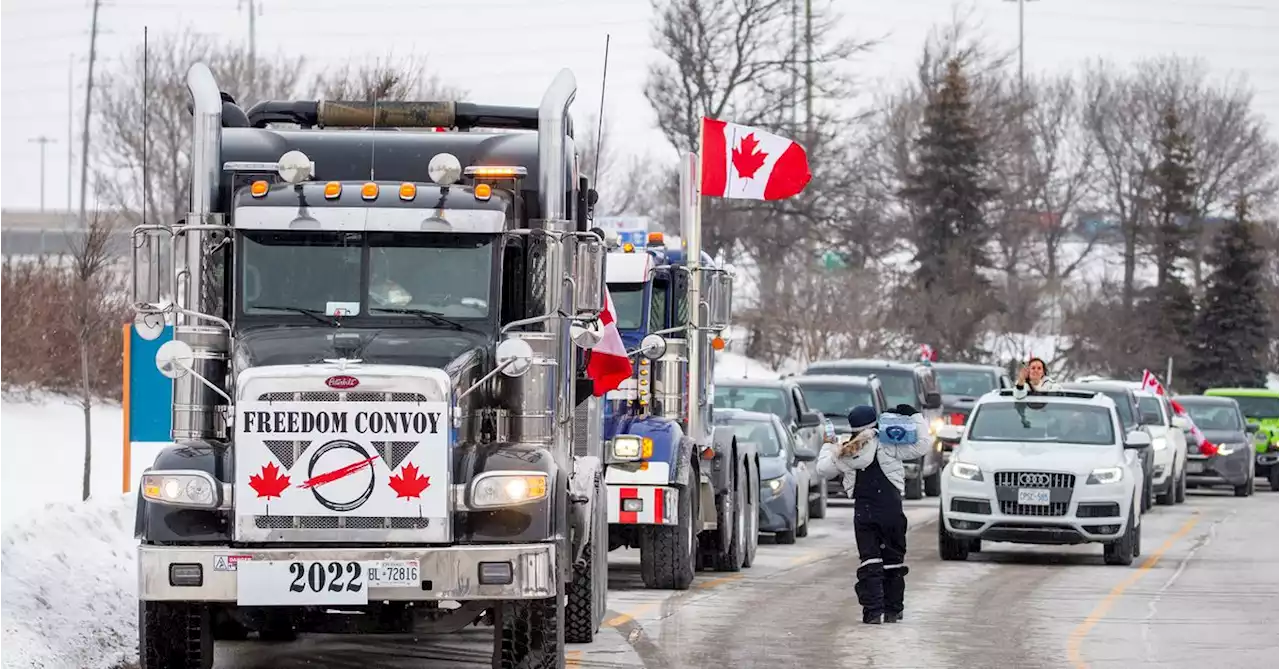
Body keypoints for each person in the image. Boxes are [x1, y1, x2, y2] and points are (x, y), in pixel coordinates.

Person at [817, 404, 931, 625]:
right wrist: (914, 415)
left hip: (864, 512)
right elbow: (923, 444)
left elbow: (822, 470)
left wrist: (828, 444)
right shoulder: (888, 444)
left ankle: (872, 612)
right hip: (891, 509)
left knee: (870, 560)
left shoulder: (845, 452)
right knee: (893, 560)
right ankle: (892, 609)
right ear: (875, 424)